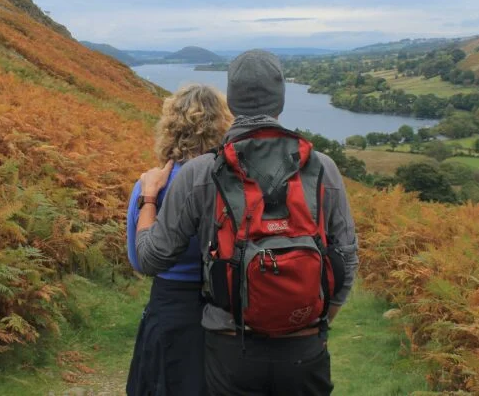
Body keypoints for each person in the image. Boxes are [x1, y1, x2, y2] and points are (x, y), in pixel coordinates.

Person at [135, 50, 359, 396]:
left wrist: (148, 199)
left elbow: (151, 258)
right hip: (304, 345)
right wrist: (319, 320)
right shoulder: (321, 167)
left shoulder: (201, 172)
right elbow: (347, 255)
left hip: (230, 345)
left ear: (233, 104)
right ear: (280, 101)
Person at [126, 84, 233, 396]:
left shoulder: (152, 185)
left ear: (170, 128)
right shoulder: (232, 182)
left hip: (170, 307)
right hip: (223, 307)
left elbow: (138, 259)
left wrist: (148, 200)